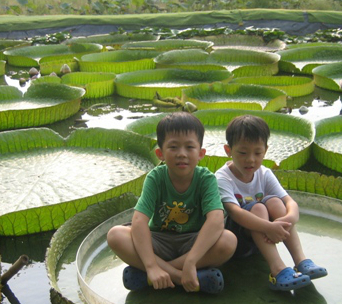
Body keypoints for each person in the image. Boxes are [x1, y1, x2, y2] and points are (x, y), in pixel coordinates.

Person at [107, 112, 237, 294]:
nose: (181, 154)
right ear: (160, 153)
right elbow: (139, 221)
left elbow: (215, 220)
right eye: (173, 147)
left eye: (189, 147)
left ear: (201, 153)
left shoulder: (206, 178)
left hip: (194, 243)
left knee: (228, 241)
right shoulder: (155, 178)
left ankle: (155, 274)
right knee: (115, 235)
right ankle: (180, 277)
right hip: (159, 241)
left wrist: (191, 260)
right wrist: (151, 265)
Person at [215, 114, 327, 292]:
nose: (251, 159)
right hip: (236, 242)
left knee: (275, 202)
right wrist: (269, 227)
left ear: (265, 150)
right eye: (243, 153)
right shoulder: (222, 178)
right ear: (228, 150)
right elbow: (235, 213)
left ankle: (301, 261)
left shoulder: (264, 173)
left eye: (257, 153)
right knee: (258, 206)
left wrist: (286, 220)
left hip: (265, 236)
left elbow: (290, 203)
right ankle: (277, 270)